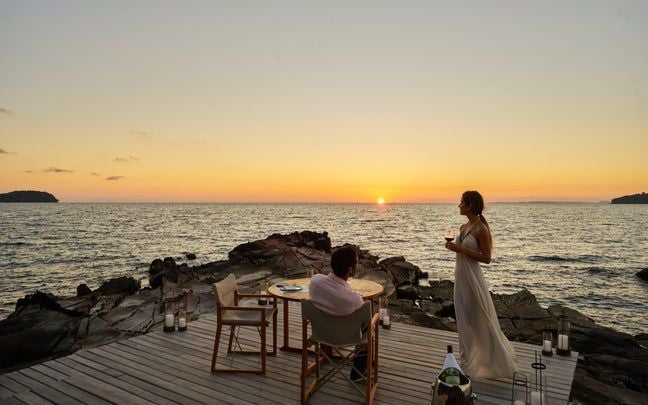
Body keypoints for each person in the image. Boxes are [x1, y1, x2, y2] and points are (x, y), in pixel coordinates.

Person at [444, 190, 518, 378]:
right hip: (460, 276)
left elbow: (487, 258)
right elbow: (462, 251)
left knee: (479, 317)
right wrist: (454, 248)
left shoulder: (481, 229)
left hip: (473, 278)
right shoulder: (463, 227)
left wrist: (460, 249)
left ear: (470, 205)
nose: (458, 205)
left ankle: (485, 359)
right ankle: (466, 360)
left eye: (461, 202)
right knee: (462, 318)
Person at [309, 245, 367, 381]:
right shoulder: (353, 299)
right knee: (368, 321)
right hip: (345, 338)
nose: (358, 265)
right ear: (350, 269)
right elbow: (361, 312)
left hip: (321, 334)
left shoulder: (315, 281)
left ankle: (328, 355)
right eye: (357, 262)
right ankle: (357, 373)